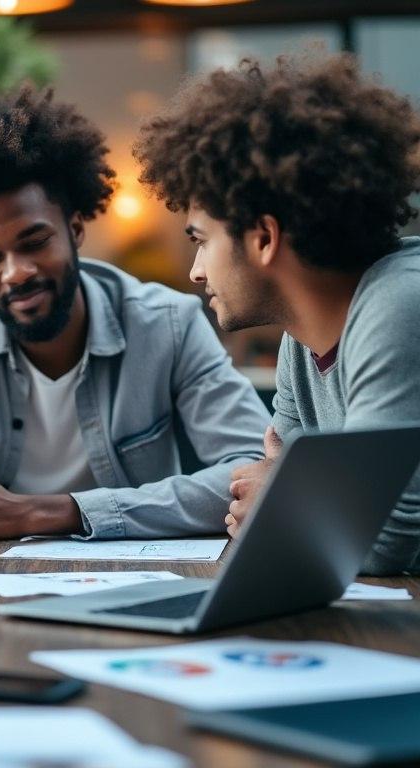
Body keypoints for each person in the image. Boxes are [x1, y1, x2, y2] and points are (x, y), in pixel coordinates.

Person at [0, 85, 271, 540]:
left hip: (127, 580)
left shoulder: (167, 323)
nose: (16, 273)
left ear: (75, 230)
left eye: (35, 242)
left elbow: (253, 472)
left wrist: (46, 512)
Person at [134, 54, 420, 574]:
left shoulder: (399, 304)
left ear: (263, 238)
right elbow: (264, 484)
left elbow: (380, 540)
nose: (196, 272)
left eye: (201, 241)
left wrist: (290, 495)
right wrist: (297, 494)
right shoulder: (300, 341)